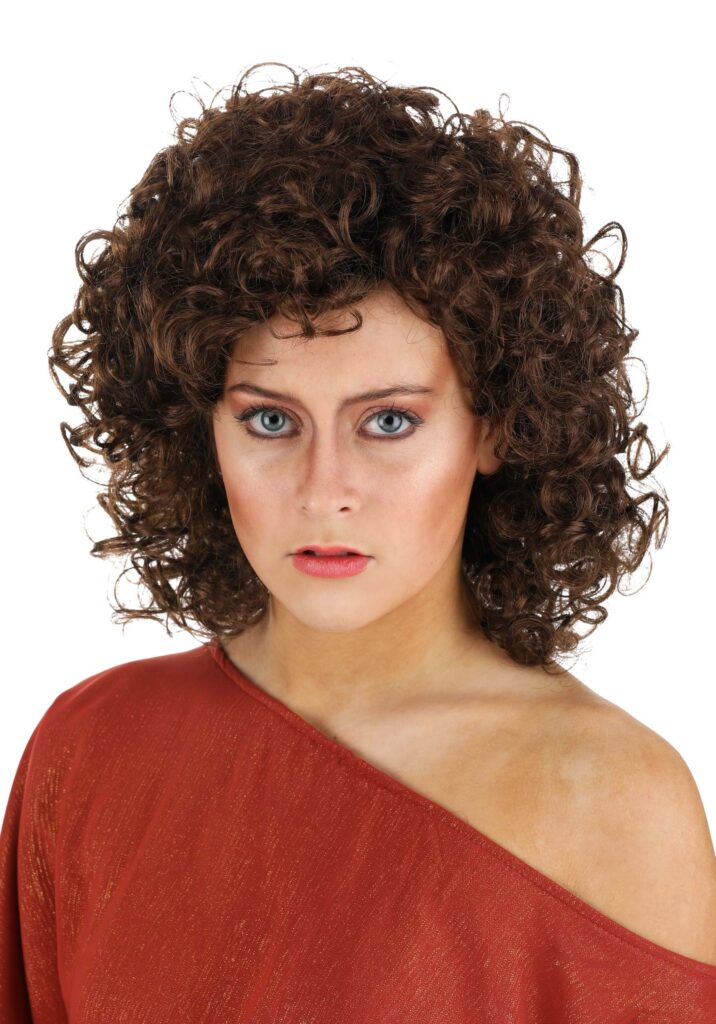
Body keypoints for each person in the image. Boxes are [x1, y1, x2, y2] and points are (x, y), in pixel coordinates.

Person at [1, 62, 714, 1021]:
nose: (324, 490)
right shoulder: (92, 748)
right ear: (198, 426)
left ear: (497, 427)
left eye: (388, 422)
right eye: (269, 421)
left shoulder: (614, 799)